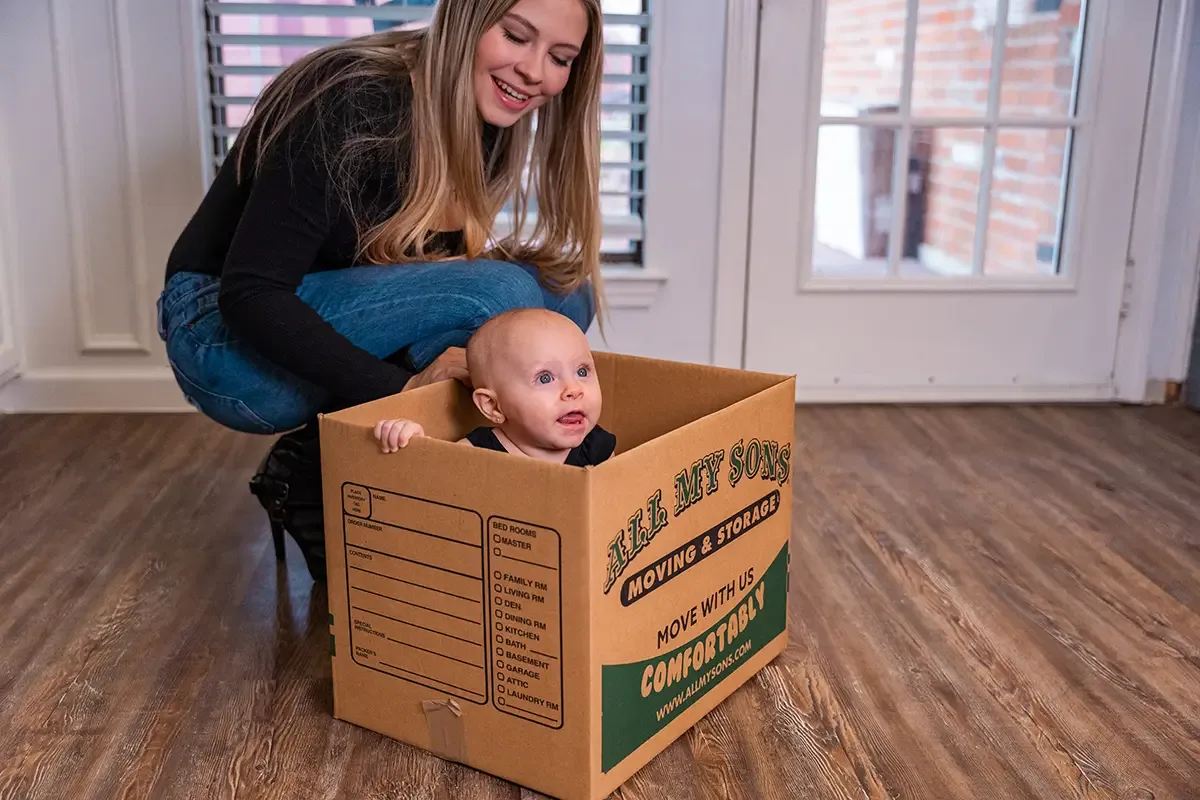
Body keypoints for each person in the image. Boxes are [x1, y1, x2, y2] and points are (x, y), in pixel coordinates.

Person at [155, 0, 608, 582]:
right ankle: (332, 479)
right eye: (517, 37)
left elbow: (400, 261)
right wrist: (406, 384)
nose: (534, 72)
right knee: (503, 292)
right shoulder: (355, 97)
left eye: (560, 58)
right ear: (467, 20)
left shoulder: (487, 110)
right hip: (219, 336)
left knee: (568, 296)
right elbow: (252, 294)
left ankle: (387, 482)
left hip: (308, 312)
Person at [374, 307, 616, 465]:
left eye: (582, 371)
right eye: (545, 378)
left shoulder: (595, 448)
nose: (574, 389)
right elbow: (431, 483)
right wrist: (414, 445)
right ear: (492, 406)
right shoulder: (478, 454)